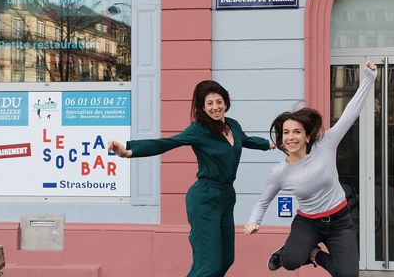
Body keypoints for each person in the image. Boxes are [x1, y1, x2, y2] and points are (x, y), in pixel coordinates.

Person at [108, 80, 275, 277]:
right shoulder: (199, 129)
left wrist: (271, 144)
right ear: (203, 107)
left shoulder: (233, 125)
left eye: (219, 101)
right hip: (205, 197)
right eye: (209, 103)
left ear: (226, 102)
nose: (215, 107)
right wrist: (128, 151)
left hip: (226, 196)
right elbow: (167, 143)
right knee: (208, 265)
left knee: (226, 259)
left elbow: (245, 140)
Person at [244, 61, 378, 276]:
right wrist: (253, 222)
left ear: (307, 136)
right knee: (289, 261)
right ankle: (294, 251)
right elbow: (263, 201)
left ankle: (314, 254)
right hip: (308, 223)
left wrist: (368, 79)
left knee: (348, 275)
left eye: (296, 132)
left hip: (340, 221)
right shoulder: (279, 172)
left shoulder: (326, 144)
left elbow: (350, 113)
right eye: (286, 133)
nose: (291, 137)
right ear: (281, 139)